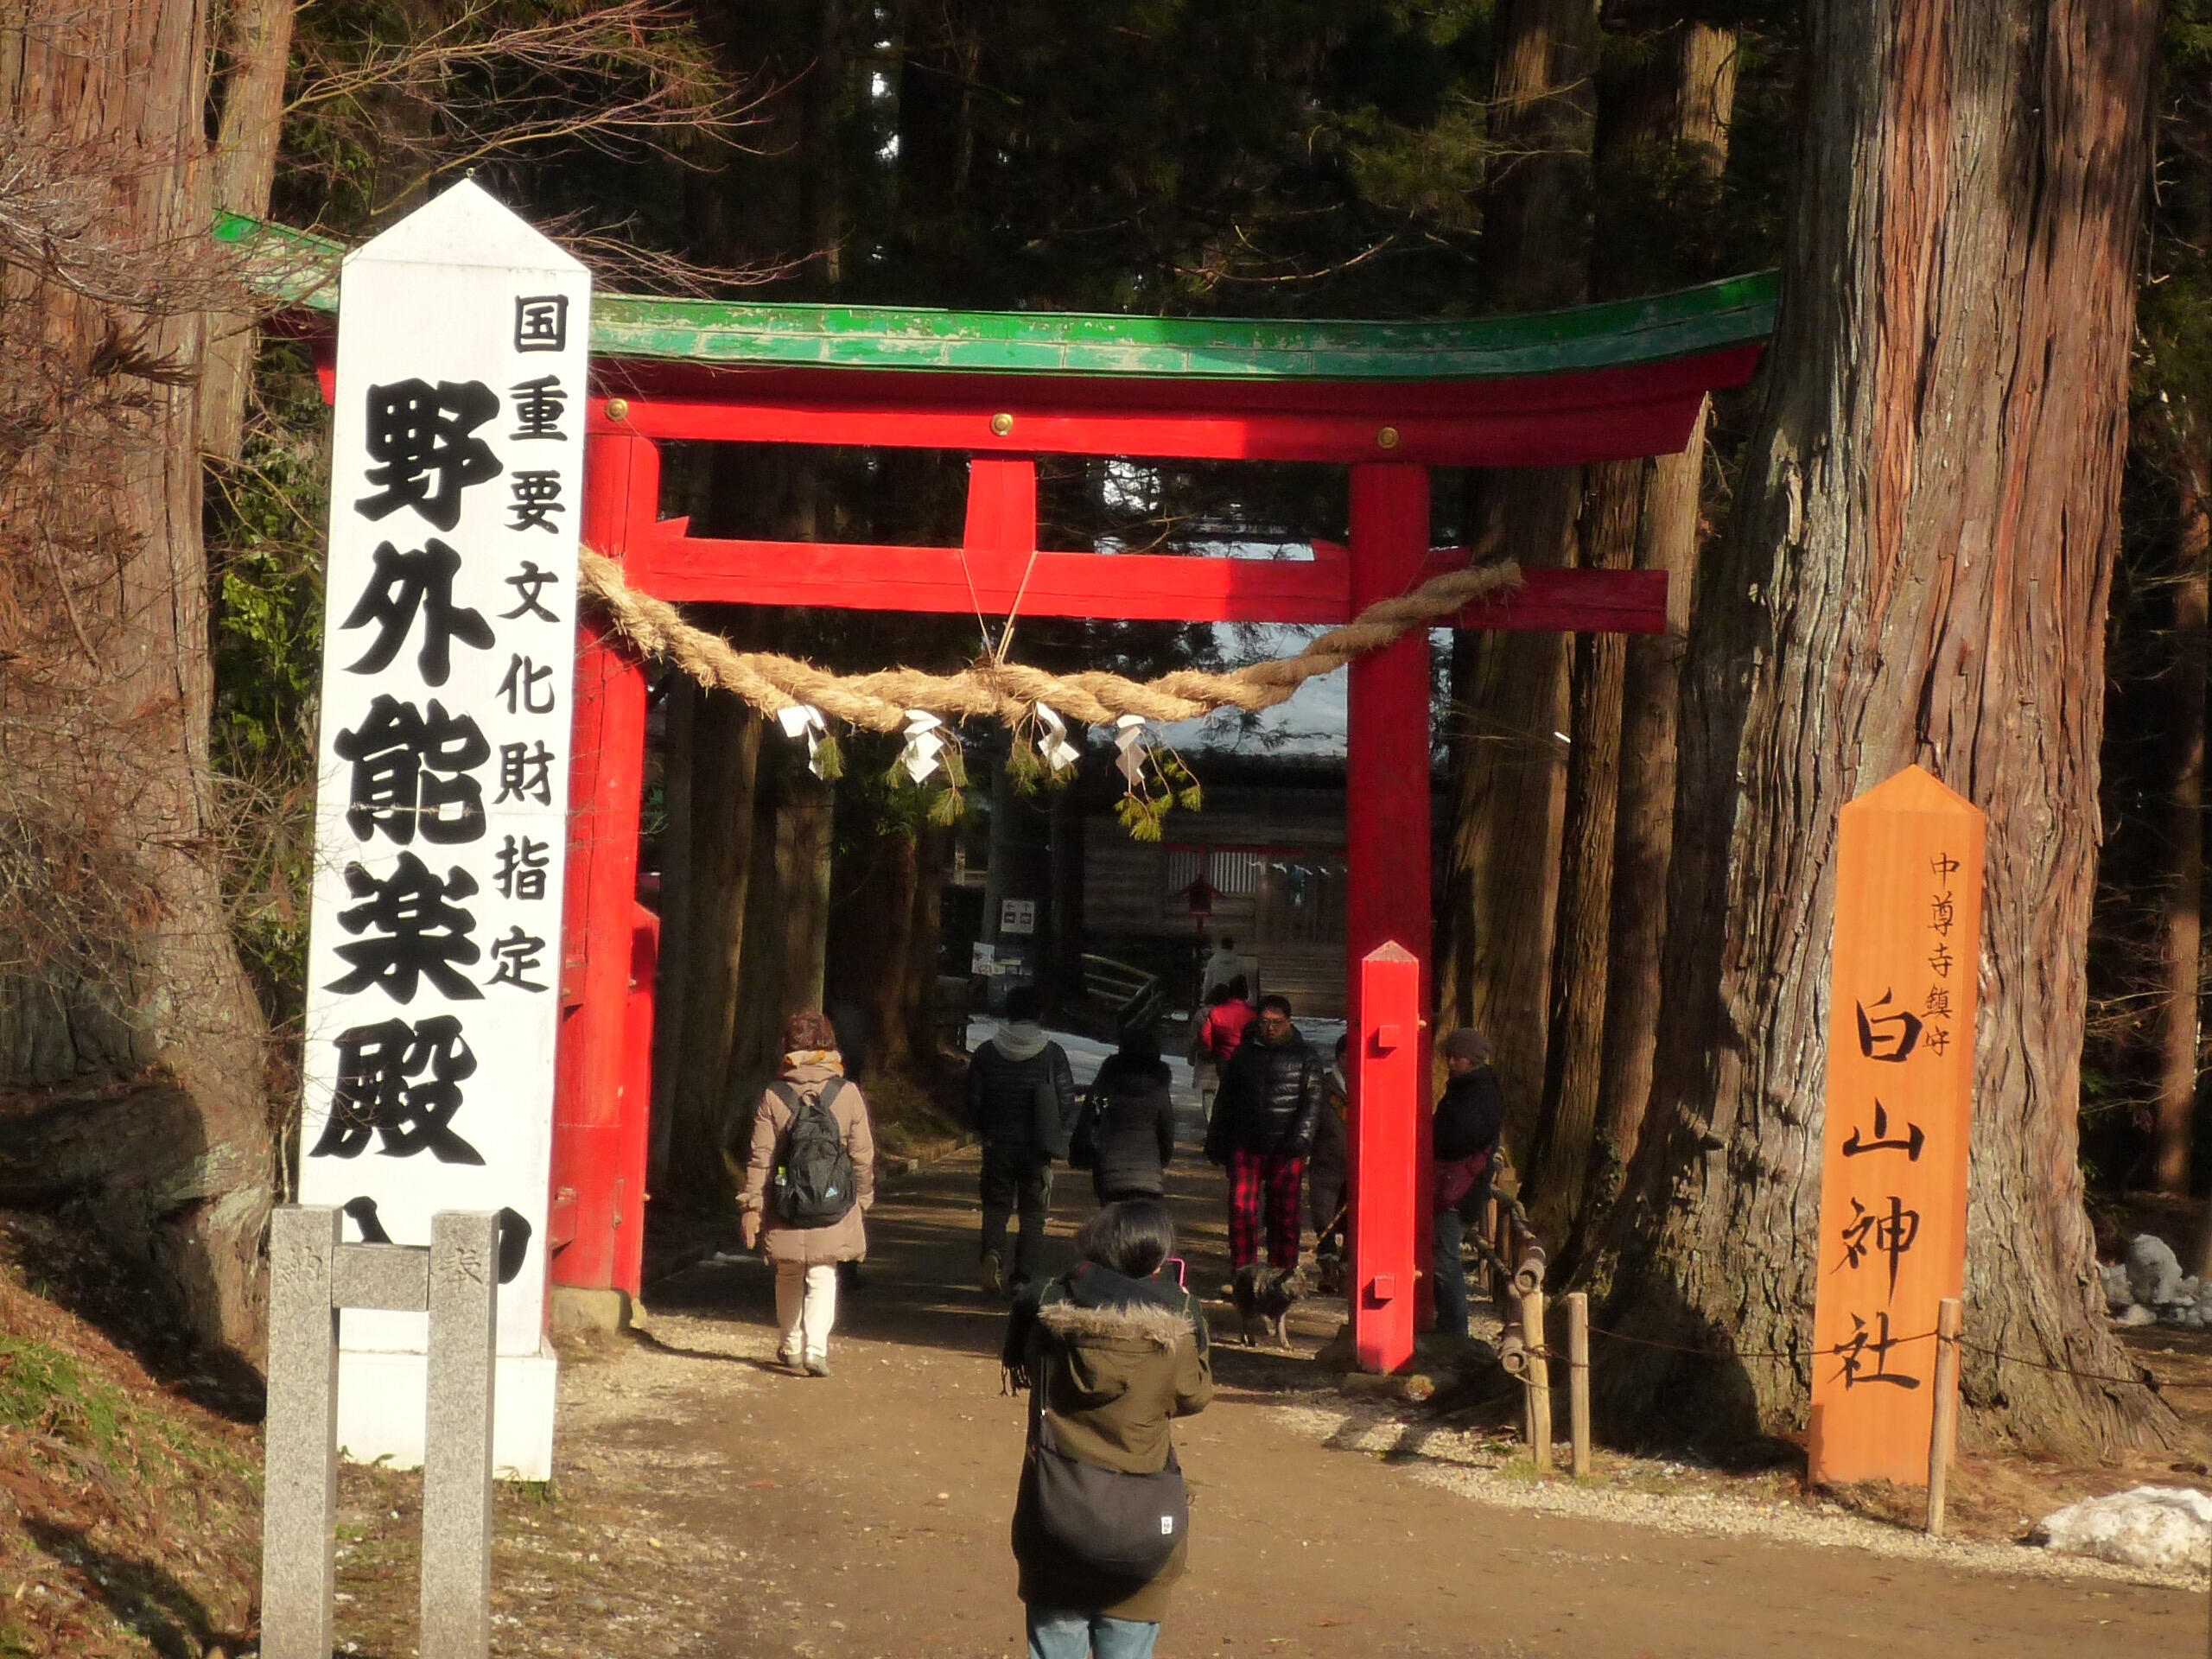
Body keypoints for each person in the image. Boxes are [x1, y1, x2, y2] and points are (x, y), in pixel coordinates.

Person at [1002, 1201, 1212, 1659]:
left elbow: (1024, 1352)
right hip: (1141, 1534)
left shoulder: (1045, 1318)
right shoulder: (1172, 1336)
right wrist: (1187, 1312)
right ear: (1156, 1261)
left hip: (1053, 1522)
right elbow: (1195, 1396)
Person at [736, 1011, 876, 1376]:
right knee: (823, 1275)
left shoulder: (774, 1094)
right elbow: (862, 1154)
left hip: (786, 1198)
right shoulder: (847, 1093)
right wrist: (863, 1196)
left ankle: (790, 1344)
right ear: (830, 1046)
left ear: (787, 1047)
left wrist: (752, 1203)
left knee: (789, 1274)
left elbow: (761, 1157)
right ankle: (816, 1348)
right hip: (835, 1198)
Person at [1205, 994, 1325, 1287]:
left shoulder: (1305, 1057)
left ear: (1289, 1023)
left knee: (1285, 1214)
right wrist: (1217, 1139)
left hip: (1286, 1147)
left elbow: (1313, 1101)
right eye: (1265, 1022)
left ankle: (1283, 1272)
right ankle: (1243, 1270)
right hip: (1246, 1143)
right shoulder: (1243, 1055)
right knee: (1242, 1210)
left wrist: (1302, 1139)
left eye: (1277, 1023)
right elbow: (1226, 1100)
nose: (1270, 1028)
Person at [968, 984, 1079, 1298]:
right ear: (1039, 1014)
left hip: (997, 1142)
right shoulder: (1052, 1053)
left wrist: (985, 1128)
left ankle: (992, 1254)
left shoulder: (987, 1052)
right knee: (1033, 1215)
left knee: (996, 1206)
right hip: (1036, 1145)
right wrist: (1055, 1127)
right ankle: (1023, 1278)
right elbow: (1066, 1097)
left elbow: (973, 1099)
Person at [1432, 1027, 1505, 1340]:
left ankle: (1454, 1331)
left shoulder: (1477, 1093)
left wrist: (1435, 1139)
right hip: (1464, 1185)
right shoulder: (1471, 1088)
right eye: (1449, 1055)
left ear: (1471, 1059)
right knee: (1444, 1257)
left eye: (1457, 1057)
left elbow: (1462, 1138)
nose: (1450, 1062)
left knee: (1446, 1261)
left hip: (1460, 1189)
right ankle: (1449, 1327)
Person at [1071, 1029, 1178, 1205]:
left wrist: (1083, 1153)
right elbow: (1166, 1134)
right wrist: (1161, 1162)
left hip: (1110, 1176)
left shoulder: (1105, 1092)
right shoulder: (1159, 1093)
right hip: (1149, 1179)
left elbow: (1093, 1121)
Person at [1307, 1033, 1351, 1290]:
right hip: (1325, 1164)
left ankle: (1346, 1271)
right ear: (1338, 1057)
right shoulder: (1323, 1086)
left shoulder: (1368, 1084)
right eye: (1346, 1056)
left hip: (1356, 1168)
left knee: (1353, 1223)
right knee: (1323, 1219)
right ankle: (1328, 1270)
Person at [1198, 935, 1249, 1001]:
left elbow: (1208, 981)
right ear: (1232, 946)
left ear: (1221, 946)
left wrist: (1205, 997)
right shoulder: (1239, 962)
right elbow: (1242, 983)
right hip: (1233, 999)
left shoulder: (1213, 961)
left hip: (1217, 997)